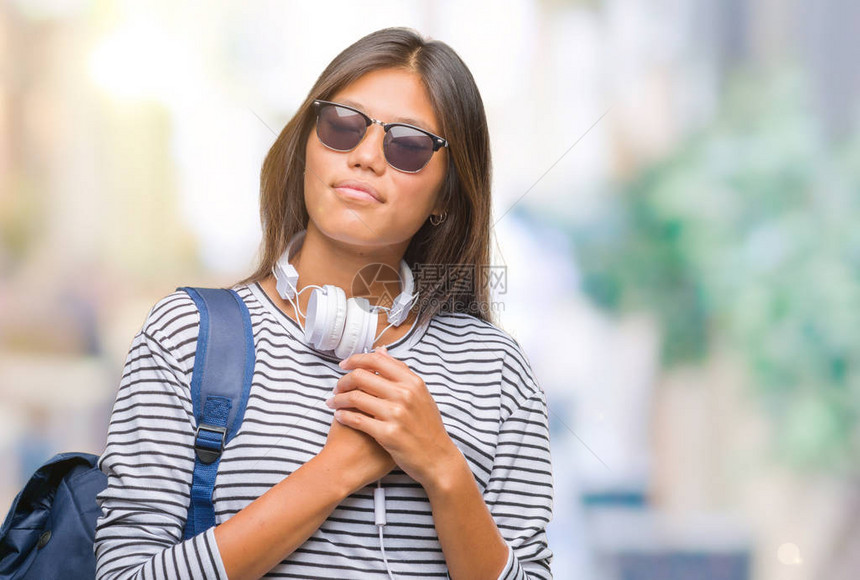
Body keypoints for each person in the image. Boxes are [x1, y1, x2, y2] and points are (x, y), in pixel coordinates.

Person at [94, 26, 554, 580]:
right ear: (306, 147)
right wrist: (334, 472)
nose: (364, 157)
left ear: (446, 196)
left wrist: (443, 468)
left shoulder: (498, 372)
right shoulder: (187, 335)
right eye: (342, 125)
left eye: (407, 144)